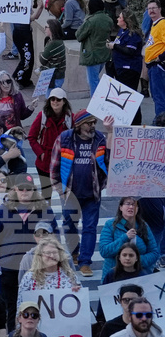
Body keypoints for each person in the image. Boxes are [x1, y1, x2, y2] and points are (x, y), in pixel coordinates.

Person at [51, 109, 113, 278]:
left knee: (90, 227)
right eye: (88, 123)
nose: (92, 126)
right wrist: (59, 189)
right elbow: (54, 165)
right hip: (70, 194)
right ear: (78, 125)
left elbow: (109, 159)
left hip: (92, 194)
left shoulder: (99, 138)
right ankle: (75, 253)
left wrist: (110, 132)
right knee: (69, 226)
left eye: (94, 123)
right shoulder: (65, 138)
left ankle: (85, 262)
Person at [100, 197, 160, 280]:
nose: (131, 207)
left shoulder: (144, 226)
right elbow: (104, 251)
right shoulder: (110, 225)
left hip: (139, 275)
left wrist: (135, 260)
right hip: (115, 276)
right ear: (121, 207)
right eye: (128, 204)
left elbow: (154, 253)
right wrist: (124, 238)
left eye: (134, 205)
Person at [27, 89, 72, 179]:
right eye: (52, 99)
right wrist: (41, 154)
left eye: (58, 99)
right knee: (46, 188)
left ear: (64, 102)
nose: (55, 102)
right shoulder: (42, 116)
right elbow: (31, 137)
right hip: (45, 164)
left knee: (63, 188)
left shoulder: (70, 117)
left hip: (63, 163)